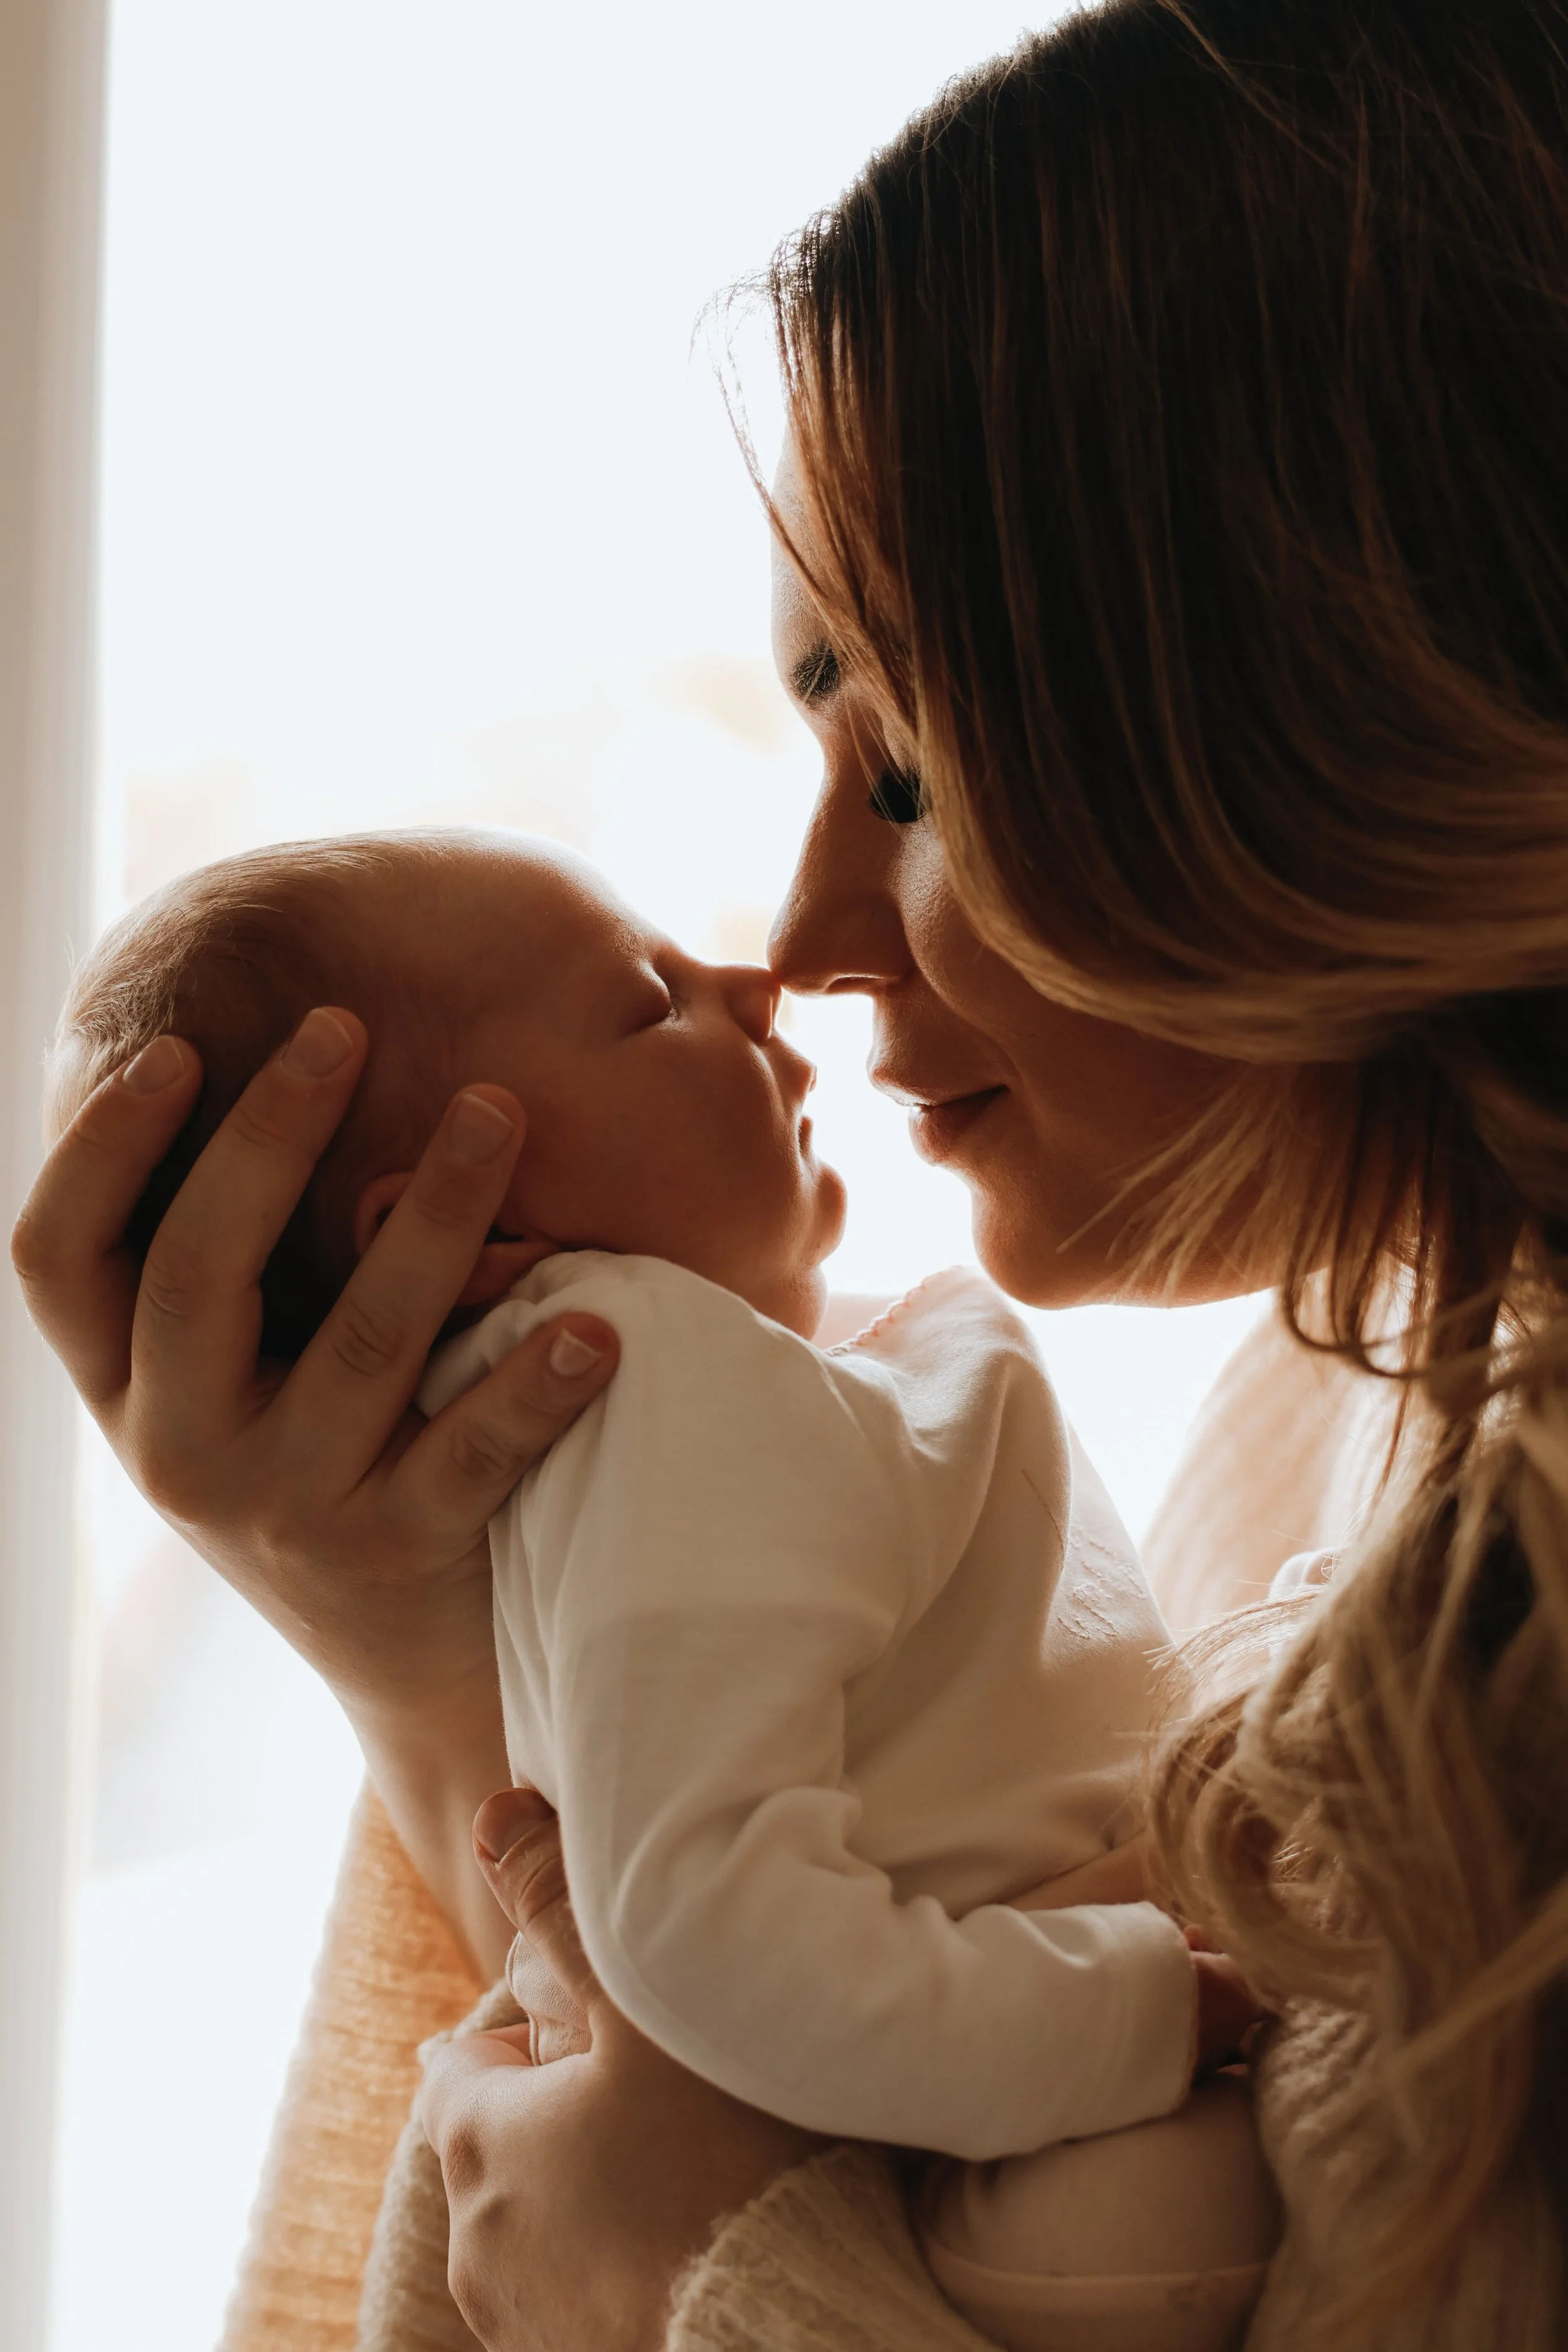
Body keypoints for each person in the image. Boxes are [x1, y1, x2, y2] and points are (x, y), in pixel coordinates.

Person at [15, 0, 1568, 2345]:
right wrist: (434, 1656)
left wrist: (700, 2277)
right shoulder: (1359, 1395)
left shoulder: (1486, 1642)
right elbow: (709, 1984)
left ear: (1304, 727)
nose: (808, 946)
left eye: (918, 773)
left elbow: (713, 2147)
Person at [50, 828, 1272, 2347]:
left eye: (905, 769)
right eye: (645, 998)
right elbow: (699, 1939)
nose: (766, 969)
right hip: (1044, 2157)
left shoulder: (735, 1394)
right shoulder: (660, 1385)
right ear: (473, 1230)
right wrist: (1130, 2008)